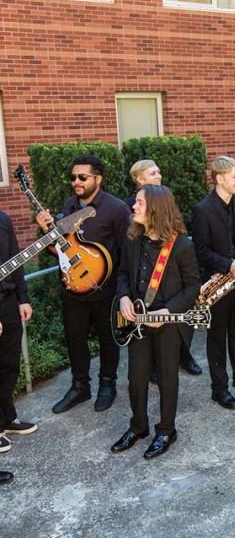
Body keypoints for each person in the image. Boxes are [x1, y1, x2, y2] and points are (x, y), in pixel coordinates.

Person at [36, 155, 131, 414]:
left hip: (106, 290)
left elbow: (128, 252)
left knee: (107, 339)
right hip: (73, 291)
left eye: (82, 177)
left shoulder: (116, 209)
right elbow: (60, 250)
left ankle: (107, 384)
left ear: (98, 179)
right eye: (73, 177)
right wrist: (47, 232)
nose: (75, 182)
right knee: (74, 338)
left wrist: (125, 292)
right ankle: (80, 386)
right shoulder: (69, 206)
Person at [111, 185, 200, 460]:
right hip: (136, 321)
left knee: (167, 378)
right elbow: (123, 273)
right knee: (136, 379)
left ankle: (166, 430)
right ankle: (138, 426)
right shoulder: (133, 239)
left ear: (155, 209)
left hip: (168, 323)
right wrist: (124, 297)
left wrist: (167, 312)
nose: (134, 207)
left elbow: (192, 287)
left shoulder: (182, 245)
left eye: (139, 203)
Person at [127, 159, 202, 378]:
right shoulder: (131, 211)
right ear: (140, 180)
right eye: (153, 173)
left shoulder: (165, 201)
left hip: (168, 293)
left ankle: (183, 355)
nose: (159, 175)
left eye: (159, 171)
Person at [191, 156, 235, 410]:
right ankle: (219, 389)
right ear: (220, 179)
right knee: (216, 338)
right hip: (217, 283)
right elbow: (201, 250)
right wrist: (227, 265)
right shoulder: (202, 209)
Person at [0, 211, 35, 479]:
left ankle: (7, 418)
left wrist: (23, 296)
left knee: (10, 363)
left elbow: (15, 260)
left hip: (9, 301)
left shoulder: (3, 219)